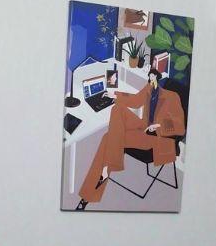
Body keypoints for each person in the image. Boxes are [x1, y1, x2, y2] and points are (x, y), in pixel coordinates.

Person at [77, 67, 185, 207]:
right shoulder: (149, 88)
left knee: (107, 138)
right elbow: (135, 100)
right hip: (142, 128)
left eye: (153, 78)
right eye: (149, 78)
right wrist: (114, 95)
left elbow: (180, 127)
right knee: (117, 109)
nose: (150, 81)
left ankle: (90, 192)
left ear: (158, 79)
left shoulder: (172, 97)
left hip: (157, 138)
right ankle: (110, 164)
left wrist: (158, 126)